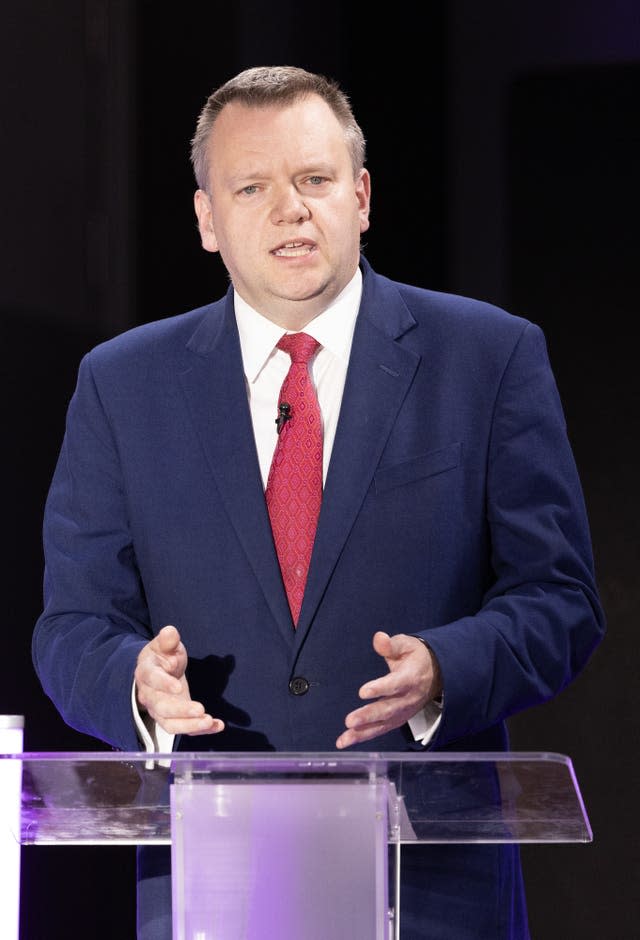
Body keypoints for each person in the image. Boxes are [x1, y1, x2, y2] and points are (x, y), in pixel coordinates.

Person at [32, 65, 605, 939]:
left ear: (362, 196)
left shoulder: (488, 359)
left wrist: (448, 669)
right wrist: (136, 687)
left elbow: (562, 601)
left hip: (436, 887)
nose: (289, 209)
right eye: (252, 187)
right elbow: (71, 626)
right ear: (207, 220)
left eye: (314, 180)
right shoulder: (121, 385)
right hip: (208, 880)